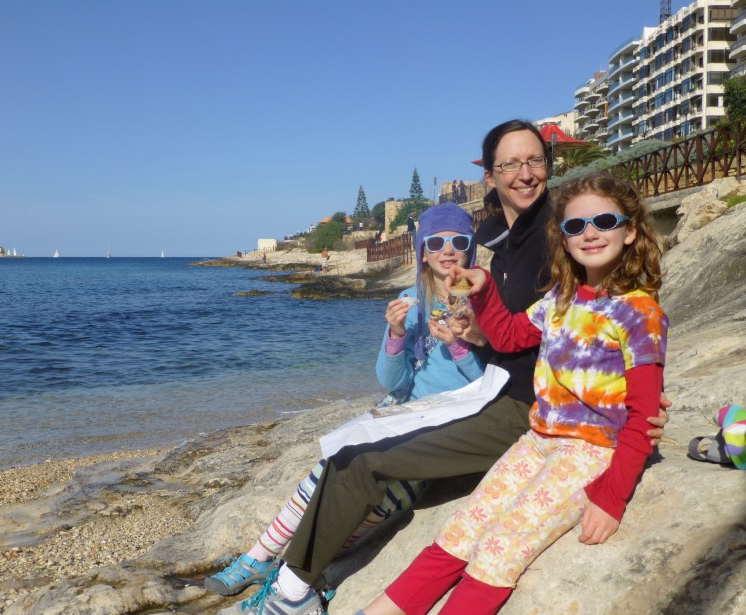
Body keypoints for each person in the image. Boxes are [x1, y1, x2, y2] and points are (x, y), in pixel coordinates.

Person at [220, 120, 670, 615]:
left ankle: (291, 590)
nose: (524, 174)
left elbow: (613, 349)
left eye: (534, 161)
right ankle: (281, 570)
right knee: (351, 450)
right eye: (510, 165)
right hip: (502, 399)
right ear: (490, 175)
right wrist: (474, 309)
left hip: (522, 410)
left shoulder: (557, 236)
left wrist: (628, 422)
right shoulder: (505, 238)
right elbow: (519, 331)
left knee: (363, 461)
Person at [361, 172, 667, 615]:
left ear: (631, 229)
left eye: (604, 220)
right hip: (537, 439)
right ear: (563, 239)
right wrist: (483, 289)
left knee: (501, 547)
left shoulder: (640, 313)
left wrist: (611, 499)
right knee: (461, 529)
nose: (590, 233)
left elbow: (643, 414)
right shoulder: (560, 298)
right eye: (575, 226)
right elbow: (508, 336)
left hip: (590, 451)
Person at [208, 202, 487, 598]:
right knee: (331, 465)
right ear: (423, 250)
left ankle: (299, 570)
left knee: (386, 499)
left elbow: (486, 383)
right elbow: (392, 380)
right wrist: (393, 335)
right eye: (436, 241)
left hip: (451, 422)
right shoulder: (411, 299)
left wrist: (460, 346)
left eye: (458, 241)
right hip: (404, 410)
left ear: (470, 250)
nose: (447, 250)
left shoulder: (483, 301)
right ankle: (259, 555)